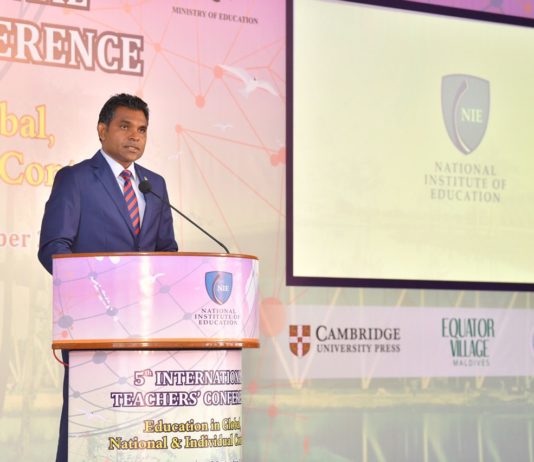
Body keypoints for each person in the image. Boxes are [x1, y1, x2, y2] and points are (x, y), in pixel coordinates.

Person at [38, 93, 178, 461]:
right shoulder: (76, 179)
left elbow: (167, 251)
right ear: (102, 130)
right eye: (125, 126)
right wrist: (99, 290)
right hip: (94, 325)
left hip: (147, 329)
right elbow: (54, 247)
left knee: (137, 430)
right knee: (86, 429)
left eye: (142, 129)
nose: (135, 136)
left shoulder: (154, 185)